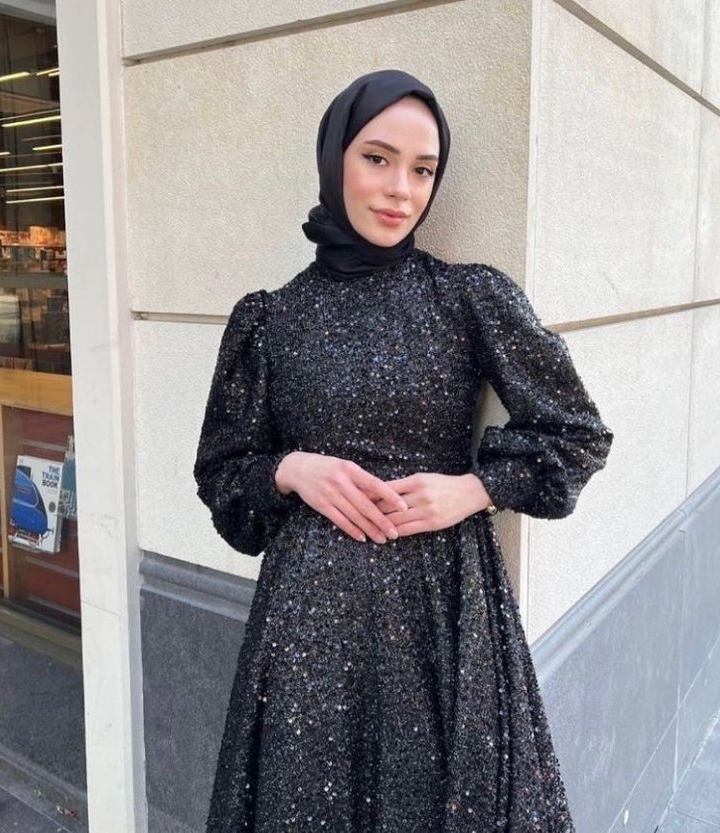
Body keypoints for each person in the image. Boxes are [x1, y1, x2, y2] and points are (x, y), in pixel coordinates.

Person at [194, 68, 613, 833]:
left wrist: (476, 487)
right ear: (334, 160)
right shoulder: (270, 319)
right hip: (308, 632)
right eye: (377, 159)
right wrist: (289, 468)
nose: (400, 189)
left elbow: (575, 432)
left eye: (422, 170)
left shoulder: (467, 298)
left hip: (441, 616)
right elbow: (224, 476)